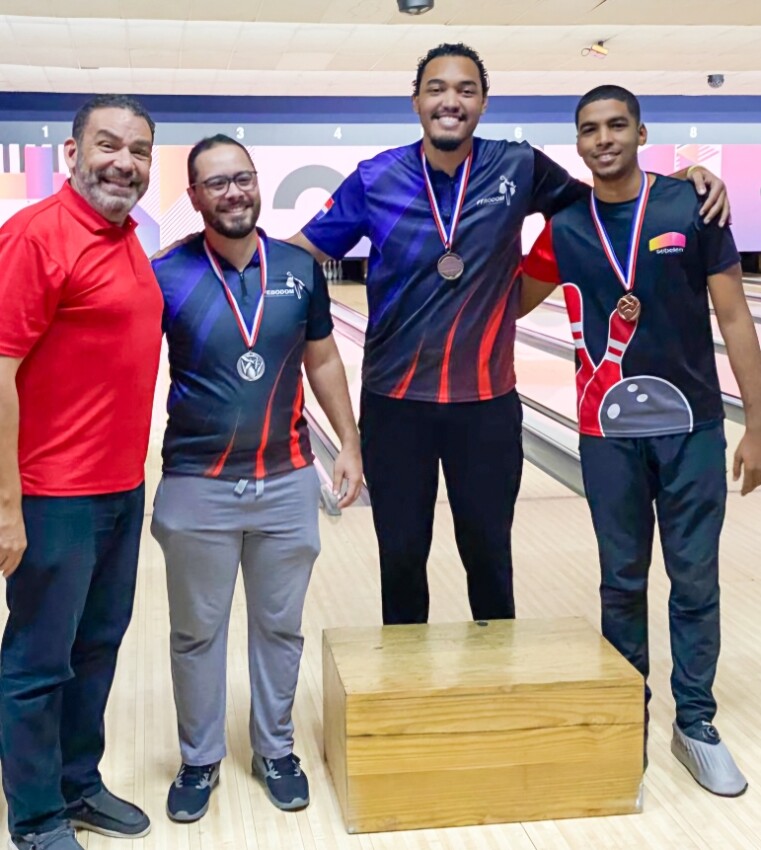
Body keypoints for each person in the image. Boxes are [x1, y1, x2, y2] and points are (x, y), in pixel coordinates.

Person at [288, 42, 730, 626]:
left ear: (483, 102)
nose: (451, 100)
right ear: (417, 100)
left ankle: (495, 698)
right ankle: (410, 697)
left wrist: (681, 181)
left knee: (490, 562)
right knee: (400, 561)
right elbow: (300, 253)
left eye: (466, 90)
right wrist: (209, 251)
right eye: (437, 89)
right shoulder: (375, 178)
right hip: (396, 406)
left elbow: (608, 198)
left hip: (487, 407)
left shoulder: (517, 166)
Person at [521, 85, 761, 796]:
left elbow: (733, 317)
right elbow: (505, 304)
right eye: (589, 129)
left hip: (691, 428)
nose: (603, 139)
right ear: (577, 143)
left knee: (694, 581)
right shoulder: (562, 225)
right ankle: (627, 717)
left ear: (639, 131)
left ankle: (695, 722)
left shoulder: (693, 203)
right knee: (620, 584)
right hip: (604, 436)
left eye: (615, 125)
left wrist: (758, 419)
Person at [150, 135, 362, 822]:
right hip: (196, 480)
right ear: (194, 197)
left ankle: (275, 750)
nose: (233, 192)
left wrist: (349, 445)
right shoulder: (166, 273)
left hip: (286, 478)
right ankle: (199, 758)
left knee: (280, 627)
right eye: (216, 183)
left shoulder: (299, 268)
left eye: (241, 178)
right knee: (196, 632)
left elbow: (323, 362)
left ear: (257, 182)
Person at [0, 95, 162, 850]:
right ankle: (35, 818)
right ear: (72, 153)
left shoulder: (125, 236)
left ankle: (78, 781)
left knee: (97, 645)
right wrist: (7, 503)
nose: (123, 161)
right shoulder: (37, 236)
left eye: (138, 150)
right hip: (51, 495)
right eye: (107, 144)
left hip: (120, 488)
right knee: (38, 661)